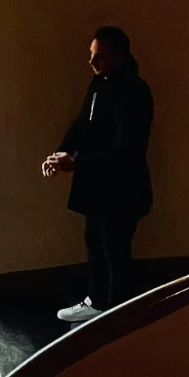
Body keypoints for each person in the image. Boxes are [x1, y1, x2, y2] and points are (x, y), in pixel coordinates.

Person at [41, 26, 153, 324]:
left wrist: (75, 163)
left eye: (99, 58)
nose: (92, 63)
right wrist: (60, 153)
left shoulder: (136, 93)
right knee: (95, 239)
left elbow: (125, 150)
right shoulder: (99, 83)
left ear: (119, 57)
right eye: (92, 56)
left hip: (122, 187)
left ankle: (116, 313)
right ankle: (99, 301)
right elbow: (82, 125)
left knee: (115, 248)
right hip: (97, 184)